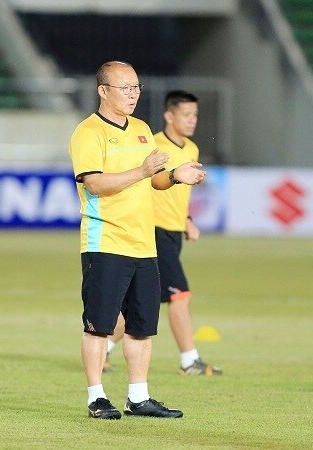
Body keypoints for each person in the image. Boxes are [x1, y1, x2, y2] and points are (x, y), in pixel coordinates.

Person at [68, 61, 206, 420]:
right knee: (99, 325)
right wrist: (142, 171)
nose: (133, 94)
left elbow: (154, 181)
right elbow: (95, 183)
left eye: (136, 87)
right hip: (106, 240)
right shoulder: (88, 132)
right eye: (124, 88)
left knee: (142, 326)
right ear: (103, 91)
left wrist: (176, 175)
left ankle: (138, 397)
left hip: (145, 244)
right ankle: (96, 397)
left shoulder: (143, 129)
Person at [103, 91, 222, 377]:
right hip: (152, 230)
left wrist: (188, 219)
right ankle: (189, 360)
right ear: (169, 115)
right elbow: (150, 183)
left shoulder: (191, 149)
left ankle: (101, 348)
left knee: (142, 301)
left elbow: (181, 194)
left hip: (172, 233)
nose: (192, 120)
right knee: (180, 295)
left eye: (195, 115)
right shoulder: (152, 144)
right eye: (186, 114)